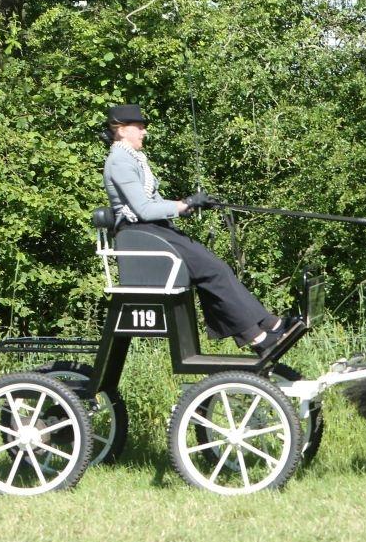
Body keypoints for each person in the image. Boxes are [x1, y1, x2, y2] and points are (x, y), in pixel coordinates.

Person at [100, 103, 292, 357]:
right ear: (122, 131)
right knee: (213, 270)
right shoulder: (120, 161)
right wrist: (183, 205)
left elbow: (153, 202)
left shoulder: (132, 157)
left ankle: (265, 326)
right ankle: (259, 335)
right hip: (141, 232)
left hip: (154, 229)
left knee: (215, 269)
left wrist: (187, 204)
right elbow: (144, 209)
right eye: (139, 127)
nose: (144, 132)